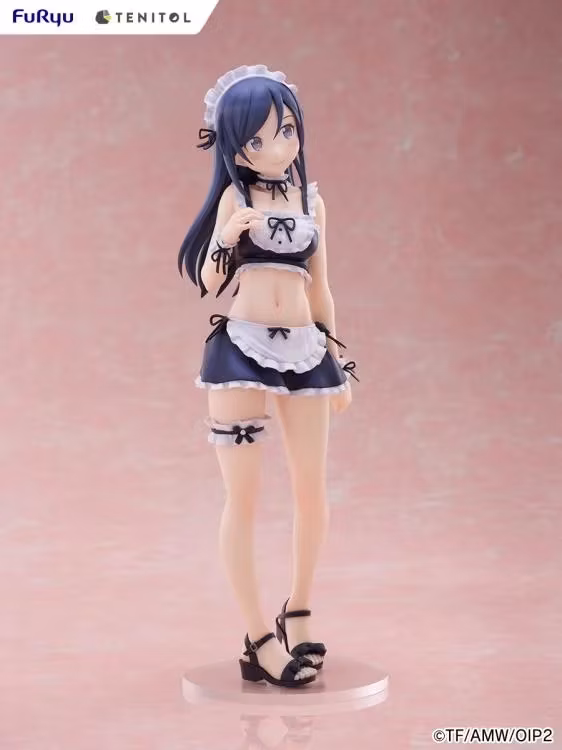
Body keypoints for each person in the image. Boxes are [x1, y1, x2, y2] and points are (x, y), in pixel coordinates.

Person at [178, 65, 358, 688]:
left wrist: (338, 360)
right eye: (256, 139)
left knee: (312, 488)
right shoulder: (236, 200)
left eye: (285, 131)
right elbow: (209, 281)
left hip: (307, 351)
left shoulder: (312, 203)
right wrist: (226, 238)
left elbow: (323, 288)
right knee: (244, 497)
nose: (276, 147)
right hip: (241, 352)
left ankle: (298, 610)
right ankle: (257, 638)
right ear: (234, 148)